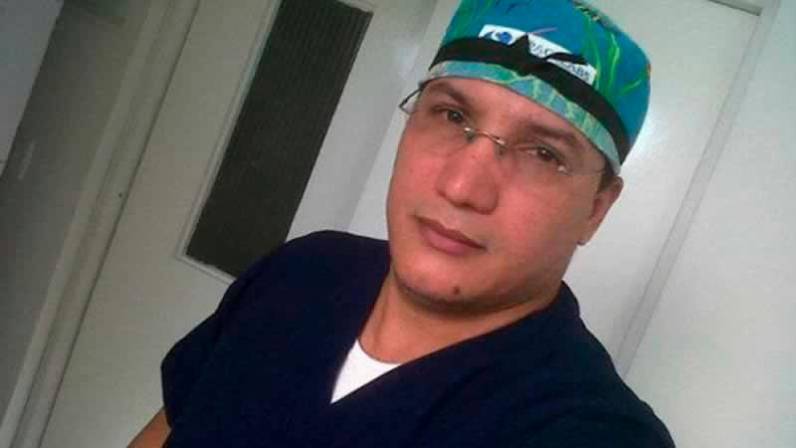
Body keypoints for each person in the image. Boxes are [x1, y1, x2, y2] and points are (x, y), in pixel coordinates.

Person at [130, 0, 674, 446]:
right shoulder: (303, 270)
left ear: (596, 209)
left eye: (543, 154)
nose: (462, 188)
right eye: (453, 116)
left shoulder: (591, 432)